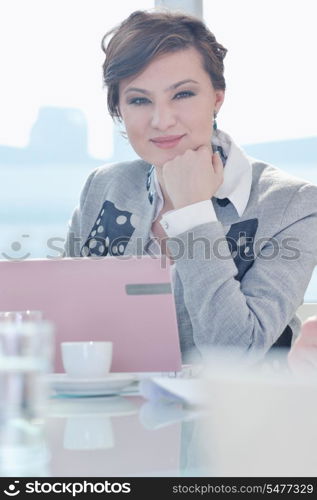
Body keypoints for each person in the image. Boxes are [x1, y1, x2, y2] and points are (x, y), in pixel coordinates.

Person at [65, 10, 317, 363]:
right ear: (119, 108)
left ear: (216, 99)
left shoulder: (293, 204)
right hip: (119, 409)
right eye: (139, 100)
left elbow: (235, 352)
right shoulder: (105, 186)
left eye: (182, 94)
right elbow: (65, 320)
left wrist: (192, 214)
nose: (162, 120)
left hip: (239, 415)